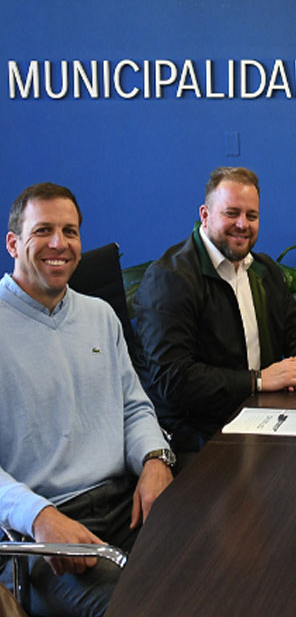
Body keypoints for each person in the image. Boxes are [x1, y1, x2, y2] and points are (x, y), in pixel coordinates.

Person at [0, 183, 174, 617]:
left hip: (125, 507)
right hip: (43, 536)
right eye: (43, 230)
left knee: (221, 570)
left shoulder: (99, 315)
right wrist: (39, 516)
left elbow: (134, 406)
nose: (59, 243)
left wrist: (155, 459)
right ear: (13, 243)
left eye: (70, 231)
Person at [133, 167, 296, 454]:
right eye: (231, 213)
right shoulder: (169, 279)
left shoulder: (263, 269)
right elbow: (173, 381)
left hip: (261, 418)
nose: (242, 224)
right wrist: (258, 381)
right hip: (199, 437)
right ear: (205, 214)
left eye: (252, 216)